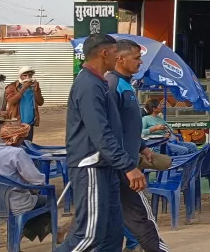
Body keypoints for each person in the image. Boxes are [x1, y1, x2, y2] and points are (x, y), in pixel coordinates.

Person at [57, 33, 146, 252]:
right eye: (116, 52)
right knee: (87, 236)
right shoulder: (88, 85)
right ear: (105, 53)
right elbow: (100, 133)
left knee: (111, 234)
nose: (117, 58)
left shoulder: (100, 82)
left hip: (106, 167)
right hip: (91, 167)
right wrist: (128, 166)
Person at [107, 39, 168, 252]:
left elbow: (128, 126)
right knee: (142, 216)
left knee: (119, 217)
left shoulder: (126, 85)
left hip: (127, 161)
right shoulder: (112, 86)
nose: (140, 62)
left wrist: (143, 147)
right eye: (136, 57)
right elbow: (110, 130)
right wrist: (127, 165)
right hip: (123, 165)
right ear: (120, 58)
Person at [0, 123, 56, 245]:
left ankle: (17, 237)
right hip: (16, 203)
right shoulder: (17, 153)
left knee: (35, 200)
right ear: (20, 138)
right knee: (48, 200)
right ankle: (17, 239)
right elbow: (37, 180)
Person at [4, 66, 44, 141]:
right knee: (17, 144)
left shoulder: (33, 86)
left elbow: (40, 102)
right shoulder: (12, 87)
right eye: (25, 75)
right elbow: (11, 101)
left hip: (30, 122)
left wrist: (36, 90)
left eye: (30, 75)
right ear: (20, 76)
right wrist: (23, 88)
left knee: (28, 144)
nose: (27, 77)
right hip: (17, 122)